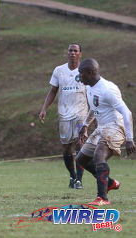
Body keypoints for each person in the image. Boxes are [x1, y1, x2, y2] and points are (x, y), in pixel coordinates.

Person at [75, 58, 134, 206]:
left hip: (115, 126)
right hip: (102, 127)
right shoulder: (89, 87)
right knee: (81, 159)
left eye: (81, 74)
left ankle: (102, 198)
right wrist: (85, 125)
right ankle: (109, 183)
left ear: (90, 73)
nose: (79, 77)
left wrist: (130, 138)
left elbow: (127, 113)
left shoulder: (108, 89)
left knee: (99, 155)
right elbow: (95, 108)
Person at [39, 43, 86, 189]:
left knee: (80, 143)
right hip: (64, 114)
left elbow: (93, 90)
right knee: (66, 148)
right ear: (67, 53)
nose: (72, 53)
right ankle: (72, 176)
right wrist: (44, 108)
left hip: (81, 113)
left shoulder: (85, 70)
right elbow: (53, 91)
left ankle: (79, 179)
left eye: (75, 51)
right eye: (70, 51)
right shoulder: (59, 70)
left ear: (80, 54)